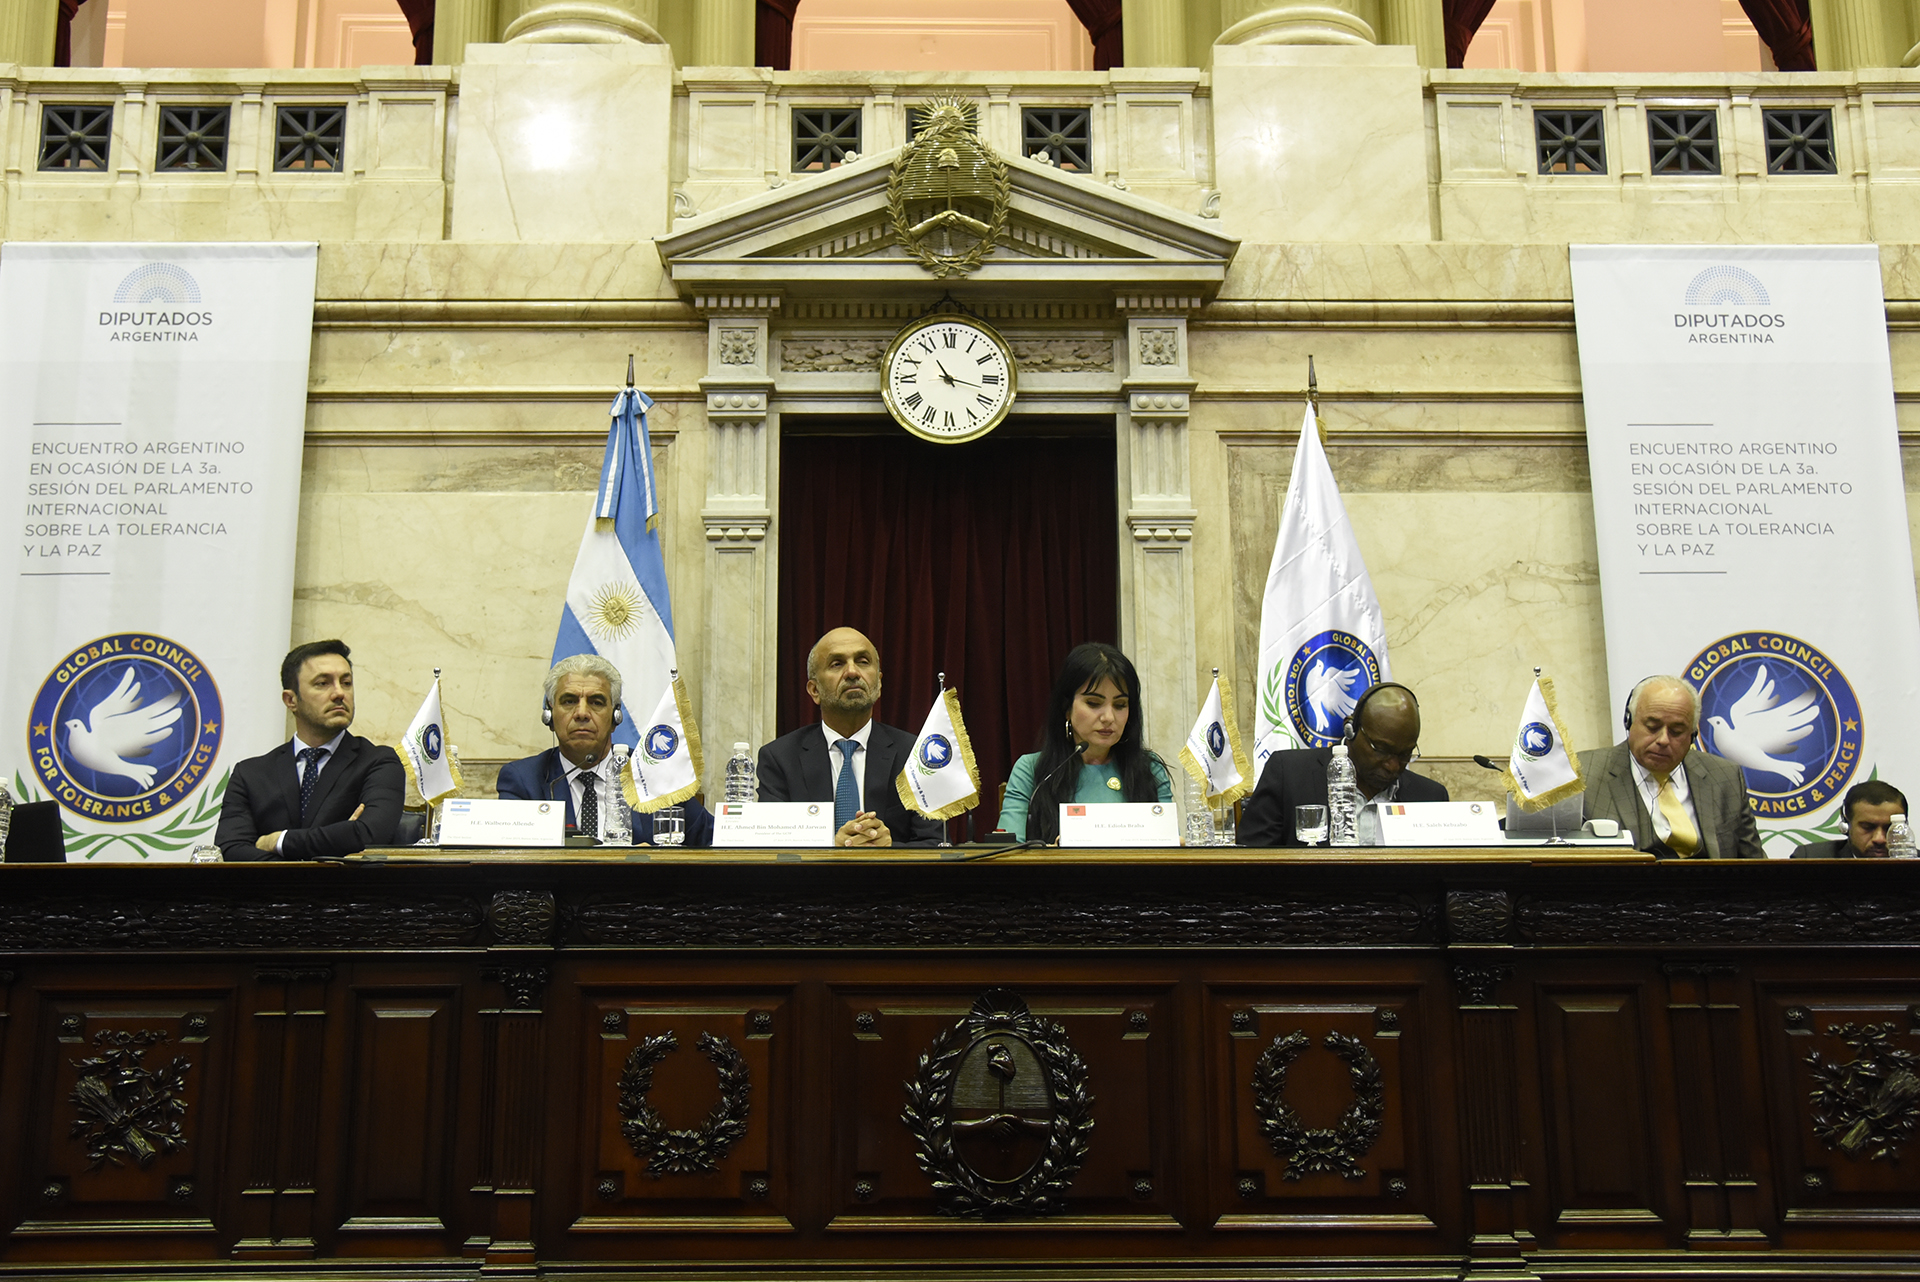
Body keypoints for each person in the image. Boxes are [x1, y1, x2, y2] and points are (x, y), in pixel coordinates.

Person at [215, 639, 405, 861]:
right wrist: (337, 841)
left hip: (348, 895)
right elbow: (231, 850)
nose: (339, 693)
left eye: (346, 682)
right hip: (269, 894)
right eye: (323, 683)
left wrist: (278, 841)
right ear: (291, 700)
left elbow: (369, 834)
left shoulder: (378, 762)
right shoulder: (250, 774)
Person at [497, 654, 715, 846]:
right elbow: (511, 859)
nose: (581, 713)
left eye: (596, 702)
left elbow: (714, 842)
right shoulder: (523, 780)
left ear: (615, 717)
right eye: (569, 701)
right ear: (549, 716)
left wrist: (653, 862)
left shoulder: (655, 774)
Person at [756, 626, 943, 847]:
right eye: (837, 664)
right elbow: (771, 847)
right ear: (814, 690)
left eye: (863, 661)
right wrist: (833, 847)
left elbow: (936, 844)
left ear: (879, 683)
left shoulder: (915, 754)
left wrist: (889, 849)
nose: (852, 672)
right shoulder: (780, 758)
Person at [996, 642, 1174, 844]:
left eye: (1120, 705)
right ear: (1067, 708)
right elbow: (1008, 852)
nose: (1108, 717)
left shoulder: (1149, 768)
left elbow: (1168, 845)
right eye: (1094, 703)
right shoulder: (1031, 770)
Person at [1238, 682, 1447, 847]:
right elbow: (1251, 862)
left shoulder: (1430, 797)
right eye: (1381, 750)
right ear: (1351, 729)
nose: (1393, 766)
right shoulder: (1288, 774)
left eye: (1404, 754)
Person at [1581, 674, 1764, 859]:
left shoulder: (1725, 777)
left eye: (1677, 732)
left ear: (1692, 736)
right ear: (1629, 722)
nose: (1663, 740)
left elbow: (1756, 866)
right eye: (1652, 727)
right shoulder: (1583, 775)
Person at [1792, 780, 1909, 858]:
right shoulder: (1811, 859)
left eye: (1890, 829)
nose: (1879, 839)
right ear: (1846, 826)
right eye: (1868, 827)